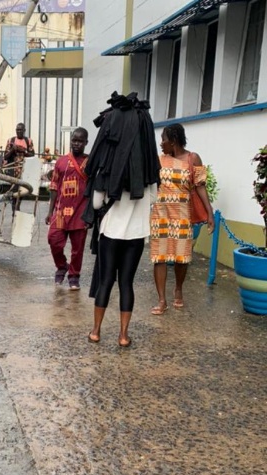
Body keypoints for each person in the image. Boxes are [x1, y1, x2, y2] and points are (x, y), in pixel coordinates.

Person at [84, 91, 160, 348]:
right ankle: (123, 335)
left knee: (106, 281)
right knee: (127, 283)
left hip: (110, 233)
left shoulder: (106, 168)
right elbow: (153, 199)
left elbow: (96, 204)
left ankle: (96, 331)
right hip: (136, 235)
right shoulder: (149, 170)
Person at [148, 124, 214, 314]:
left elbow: (200, 186)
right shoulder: (159, 160)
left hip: (183, 214)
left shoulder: (193, 158)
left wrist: (209, 213)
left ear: (173, 141)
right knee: (159, 257)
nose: (161, 144)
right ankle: (162, 300)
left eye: (164, 139)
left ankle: (178, 288)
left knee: (181, 258)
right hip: (160, 214)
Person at [46, 128, 90, 291]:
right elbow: (54, 186)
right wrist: (50, 212)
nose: (76, 144)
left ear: (86, 142)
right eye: (74, 140)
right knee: (53, 240)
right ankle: (62, 265)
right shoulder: (61, 161)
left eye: (80, 141)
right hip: (61, 211)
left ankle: (74, 275)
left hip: (80, 212)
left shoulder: (90, 162)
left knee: (77, 249)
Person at [4, 123, 35, 213]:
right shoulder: (11, 141)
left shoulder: (28, 141)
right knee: (14, 191)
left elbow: (32, 155)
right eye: (17, 130)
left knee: (22, 191)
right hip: (13, 171)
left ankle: (17, 208)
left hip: (25, 171)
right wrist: (13, 150)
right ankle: (15, 210)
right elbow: (5, 156)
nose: (19, 132)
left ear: (24, 131)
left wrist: (24, 151)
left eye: (21, 130)